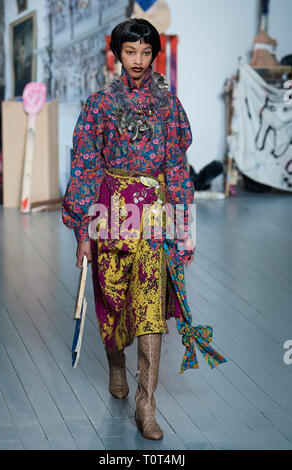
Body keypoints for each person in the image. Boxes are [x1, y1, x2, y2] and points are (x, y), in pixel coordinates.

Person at [62, 18, 226, 441]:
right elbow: (84, 166)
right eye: (130, 51)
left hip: (153, 219)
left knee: (151, 309)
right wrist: (83, 228)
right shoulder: (98, 105)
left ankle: (146, 404)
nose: (137, 60)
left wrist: (183, 226)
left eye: (145, 52)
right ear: (118, 53)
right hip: (109, 214)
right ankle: (116, 364)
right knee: (112, 302)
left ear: (155, 56)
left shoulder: (169, 107)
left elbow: (176, 170)